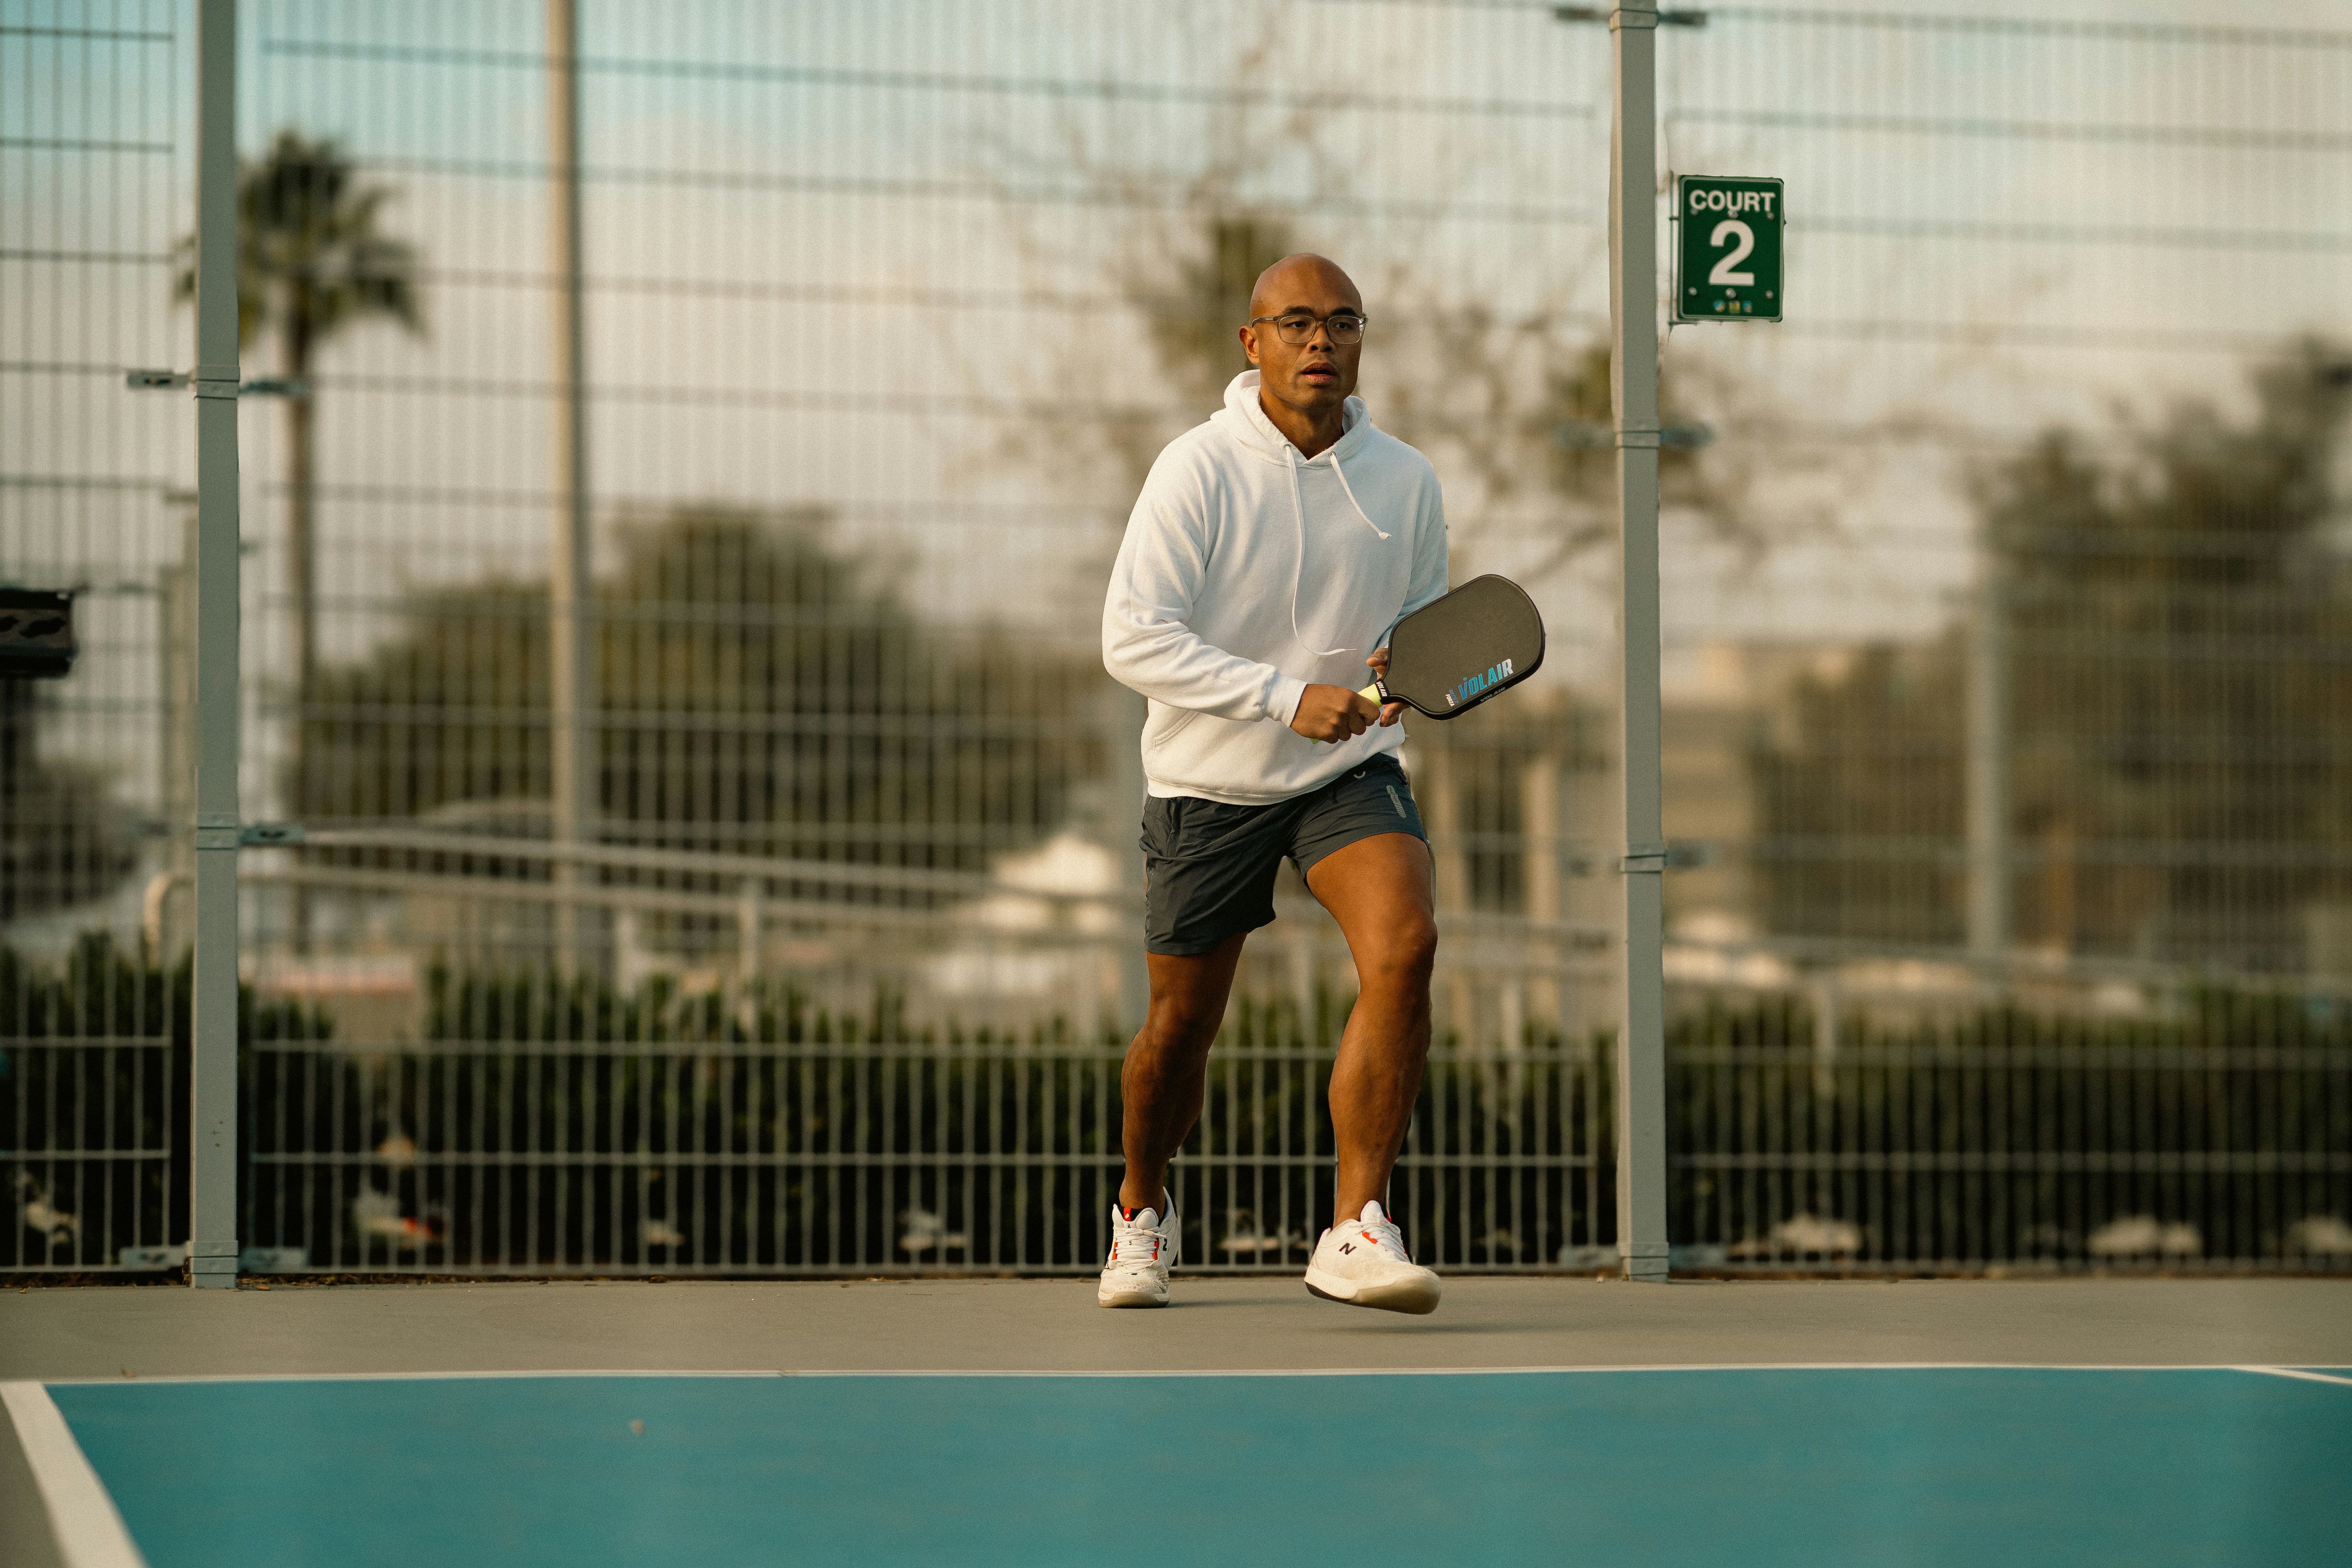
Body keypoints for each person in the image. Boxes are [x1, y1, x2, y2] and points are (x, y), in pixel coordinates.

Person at [1097, 253, 1448, 1314]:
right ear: (1251, 345)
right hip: (1208, 780)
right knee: (1179, 1032)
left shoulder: (1408, 479)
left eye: (1343, 322)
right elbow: (1131, 639)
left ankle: (1354, 1230)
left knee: (1407, 944)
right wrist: (1282, 695)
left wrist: (1386, 686)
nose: (1321, 342)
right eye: (1296, 323)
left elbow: (1418, 637)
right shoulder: (1194, 470)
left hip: (1347, 773)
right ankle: (1140, 1213)